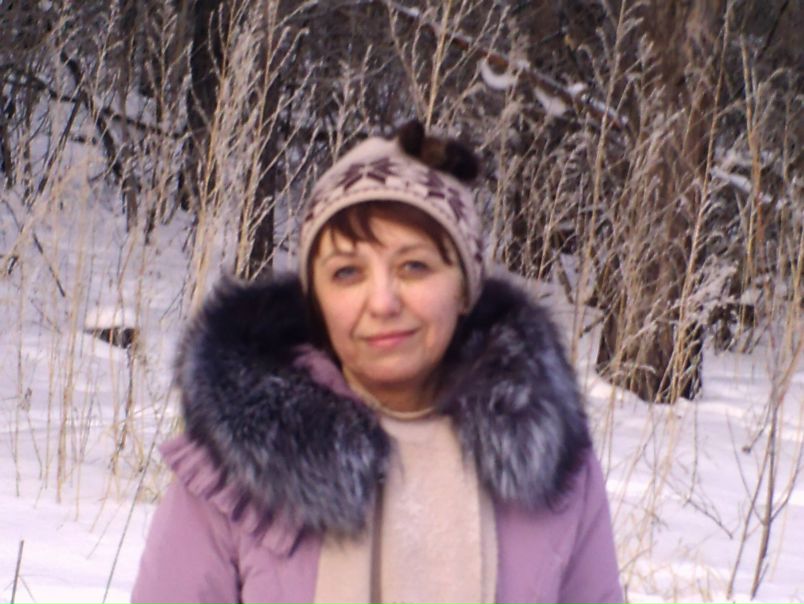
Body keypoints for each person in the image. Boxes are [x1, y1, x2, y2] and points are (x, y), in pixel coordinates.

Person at [131, 120, 623, 604]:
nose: (383, 302)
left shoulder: (553, 466)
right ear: (317, 301)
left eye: (414, 266)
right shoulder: (234, 467)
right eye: (347, 273)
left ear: (465, 288)